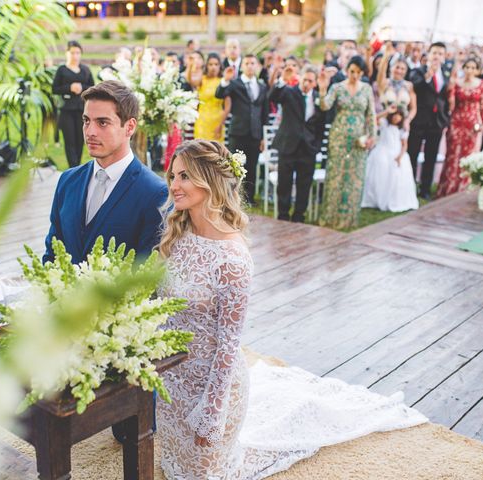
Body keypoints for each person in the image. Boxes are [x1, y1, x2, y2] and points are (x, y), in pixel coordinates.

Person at [156, 139, 427, 479]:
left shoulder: (233, 258)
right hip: (172, 384)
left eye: (184, 177)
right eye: (173, 175)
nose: (173, 185)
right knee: (170, 468)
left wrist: (211, 413)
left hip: (212, 390)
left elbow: (227, 348)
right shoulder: (178, 233)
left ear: (209, 181)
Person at [43, 80, 167, 266]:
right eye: (86, 121)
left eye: (102, 122)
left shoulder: (155, 193)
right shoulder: (67, 181)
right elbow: (52, 253)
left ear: (130, 127)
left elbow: (145, 273)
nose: (90, 131)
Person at [317, 56, 376, 230]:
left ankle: (349, 218)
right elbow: (325, 106)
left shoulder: (366, 89)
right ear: (347, 70)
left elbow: (371, 114)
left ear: (362, 73)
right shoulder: (337, 87)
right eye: (352, 71)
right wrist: (322, 89)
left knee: (354, 178)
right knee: (336, 176)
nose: (355, 75)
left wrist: (372, 136)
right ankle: (330, 217)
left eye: (359, 72)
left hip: (359, 139)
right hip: (339, 137)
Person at [269, 64, 326, 222]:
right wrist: (282, 79)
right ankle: (283, 215)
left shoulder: (318, 98)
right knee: (284, 183)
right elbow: (272, 97)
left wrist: (317, 145)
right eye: (305, 79)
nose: (307, 83)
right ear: (300, 78)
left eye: (310, 81)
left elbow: (323, 121)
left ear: (315, 83)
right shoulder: (289, 92)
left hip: (308, 148)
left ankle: (299, 215)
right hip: (288, 145)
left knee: (304, 184)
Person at [216, 54, 270, 205]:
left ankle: (249, 198)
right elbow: (219, 94)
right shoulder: (234, 84)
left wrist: (263, 137)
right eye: (247, 63)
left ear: (257, 66)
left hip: (255, 134)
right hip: (238, 132)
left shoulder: (262, 86)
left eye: (253, 63)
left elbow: (265, 113)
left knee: (251, 167)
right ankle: (232, 198)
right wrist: (225, 80)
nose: (250, 65)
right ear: (243, 66)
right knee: (235, 167)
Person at [437, 57, 483, 197]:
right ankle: (447, 187)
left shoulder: (481, 84)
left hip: (472, 123)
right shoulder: (457, 83)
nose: (469, 70)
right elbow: (450, 103)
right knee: (452, 155)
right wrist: (451, 88)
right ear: (463, 68)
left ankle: (463, 188)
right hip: (456, 121)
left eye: (473, 68)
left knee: (468, 155)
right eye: (467, 67)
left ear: (477, 70)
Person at [407, 41, 451, 200]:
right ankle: (409, 185)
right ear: (429, 54)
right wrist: (428, 75)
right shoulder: (418, 71)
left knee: (431, 157)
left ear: (444, 57)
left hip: (437, 122)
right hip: (419, 120)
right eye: (434, 53)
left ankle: (425, 188)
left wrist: (445, 118)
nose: (437, 56)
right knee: (412, 154)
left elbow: (446, 97)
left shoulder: (446, 73)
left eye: (440, 53)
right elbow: (416, 87)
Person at [362, 105, 419, 212]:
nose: (396, 118)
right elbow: (374, 119)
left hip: (396, 153)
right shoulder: (384, 125)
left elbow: (404, 145)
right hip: (382, 152)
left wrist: (400, 156)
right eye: (394, 115)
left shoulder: (402, 130)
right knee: (379, 173)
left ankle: (393, 199)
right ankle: (375, 198)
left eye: (399, 116)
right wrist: (386, 111)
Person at [52, 41, 95, 168]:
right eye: (72, 53)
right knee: (69, 141)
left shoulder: (85, 70)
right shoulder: (62, 70)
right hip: (66, 110)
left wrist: (82, 87)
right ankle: (73, 167)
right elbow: (55, 89)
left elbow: (93, 87)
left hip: (82, 111)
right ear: (67, 53)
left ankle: (78, 166)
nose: (75, 56)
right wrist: (69, 87)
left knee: (80, 140)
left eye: (77, 53)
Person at [189, 53, 230, 143]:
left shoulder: (223, 82)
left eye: (216, 64)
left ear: (220, 66)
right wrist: (190, 66)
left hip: (217, 121)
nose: (213, 67)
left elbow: (227, 107)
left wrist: (220, 124)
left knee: (216, 152)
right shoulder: (202, 80)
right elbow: (191, 81)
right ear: (206, 66)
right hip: (202, 121)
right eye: (210, 64)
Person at [377, 45, 417, 124]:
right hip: (384, 122)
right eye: (397, 67)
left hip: (401, 125)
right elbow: (381, 73)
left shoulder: (409, 85)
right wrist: (386, 56)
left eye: (402, 69)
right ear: (391, 68)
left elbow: (413, 108)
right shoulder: (385, 82)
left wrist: (408, 120)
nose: (399, 71)